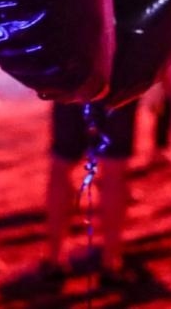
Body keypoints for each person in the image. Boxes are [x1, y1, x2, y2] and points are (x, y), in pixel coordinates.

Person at [39, 100, 140, 286]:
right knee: (114, 170)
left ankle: (53, 258)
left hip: (71, 86)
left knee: (61, 164)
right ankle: (111, 261)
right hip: (118, 89)